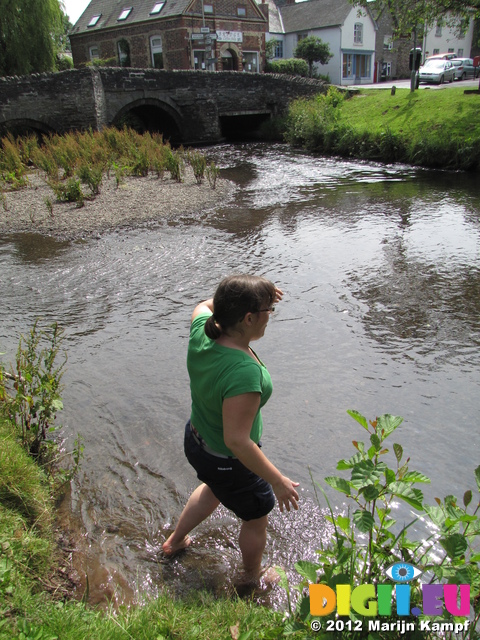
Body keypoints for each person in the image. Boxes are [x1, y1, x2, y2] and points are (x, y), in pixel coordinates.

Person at [162, 274, 299, 582]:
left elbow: (205, 304)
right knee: (255, 516)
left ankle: (174, 541)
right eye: (268, 311)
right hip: (229, 461)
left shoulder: (203, 330)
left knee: (214, 488)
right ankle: (252, 577)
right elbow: (237, 441)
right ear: (249, 318)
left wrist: (256, 293)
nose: (270, 317)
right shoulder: (243, 372)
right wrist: (277, 480)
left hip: (197, 440)